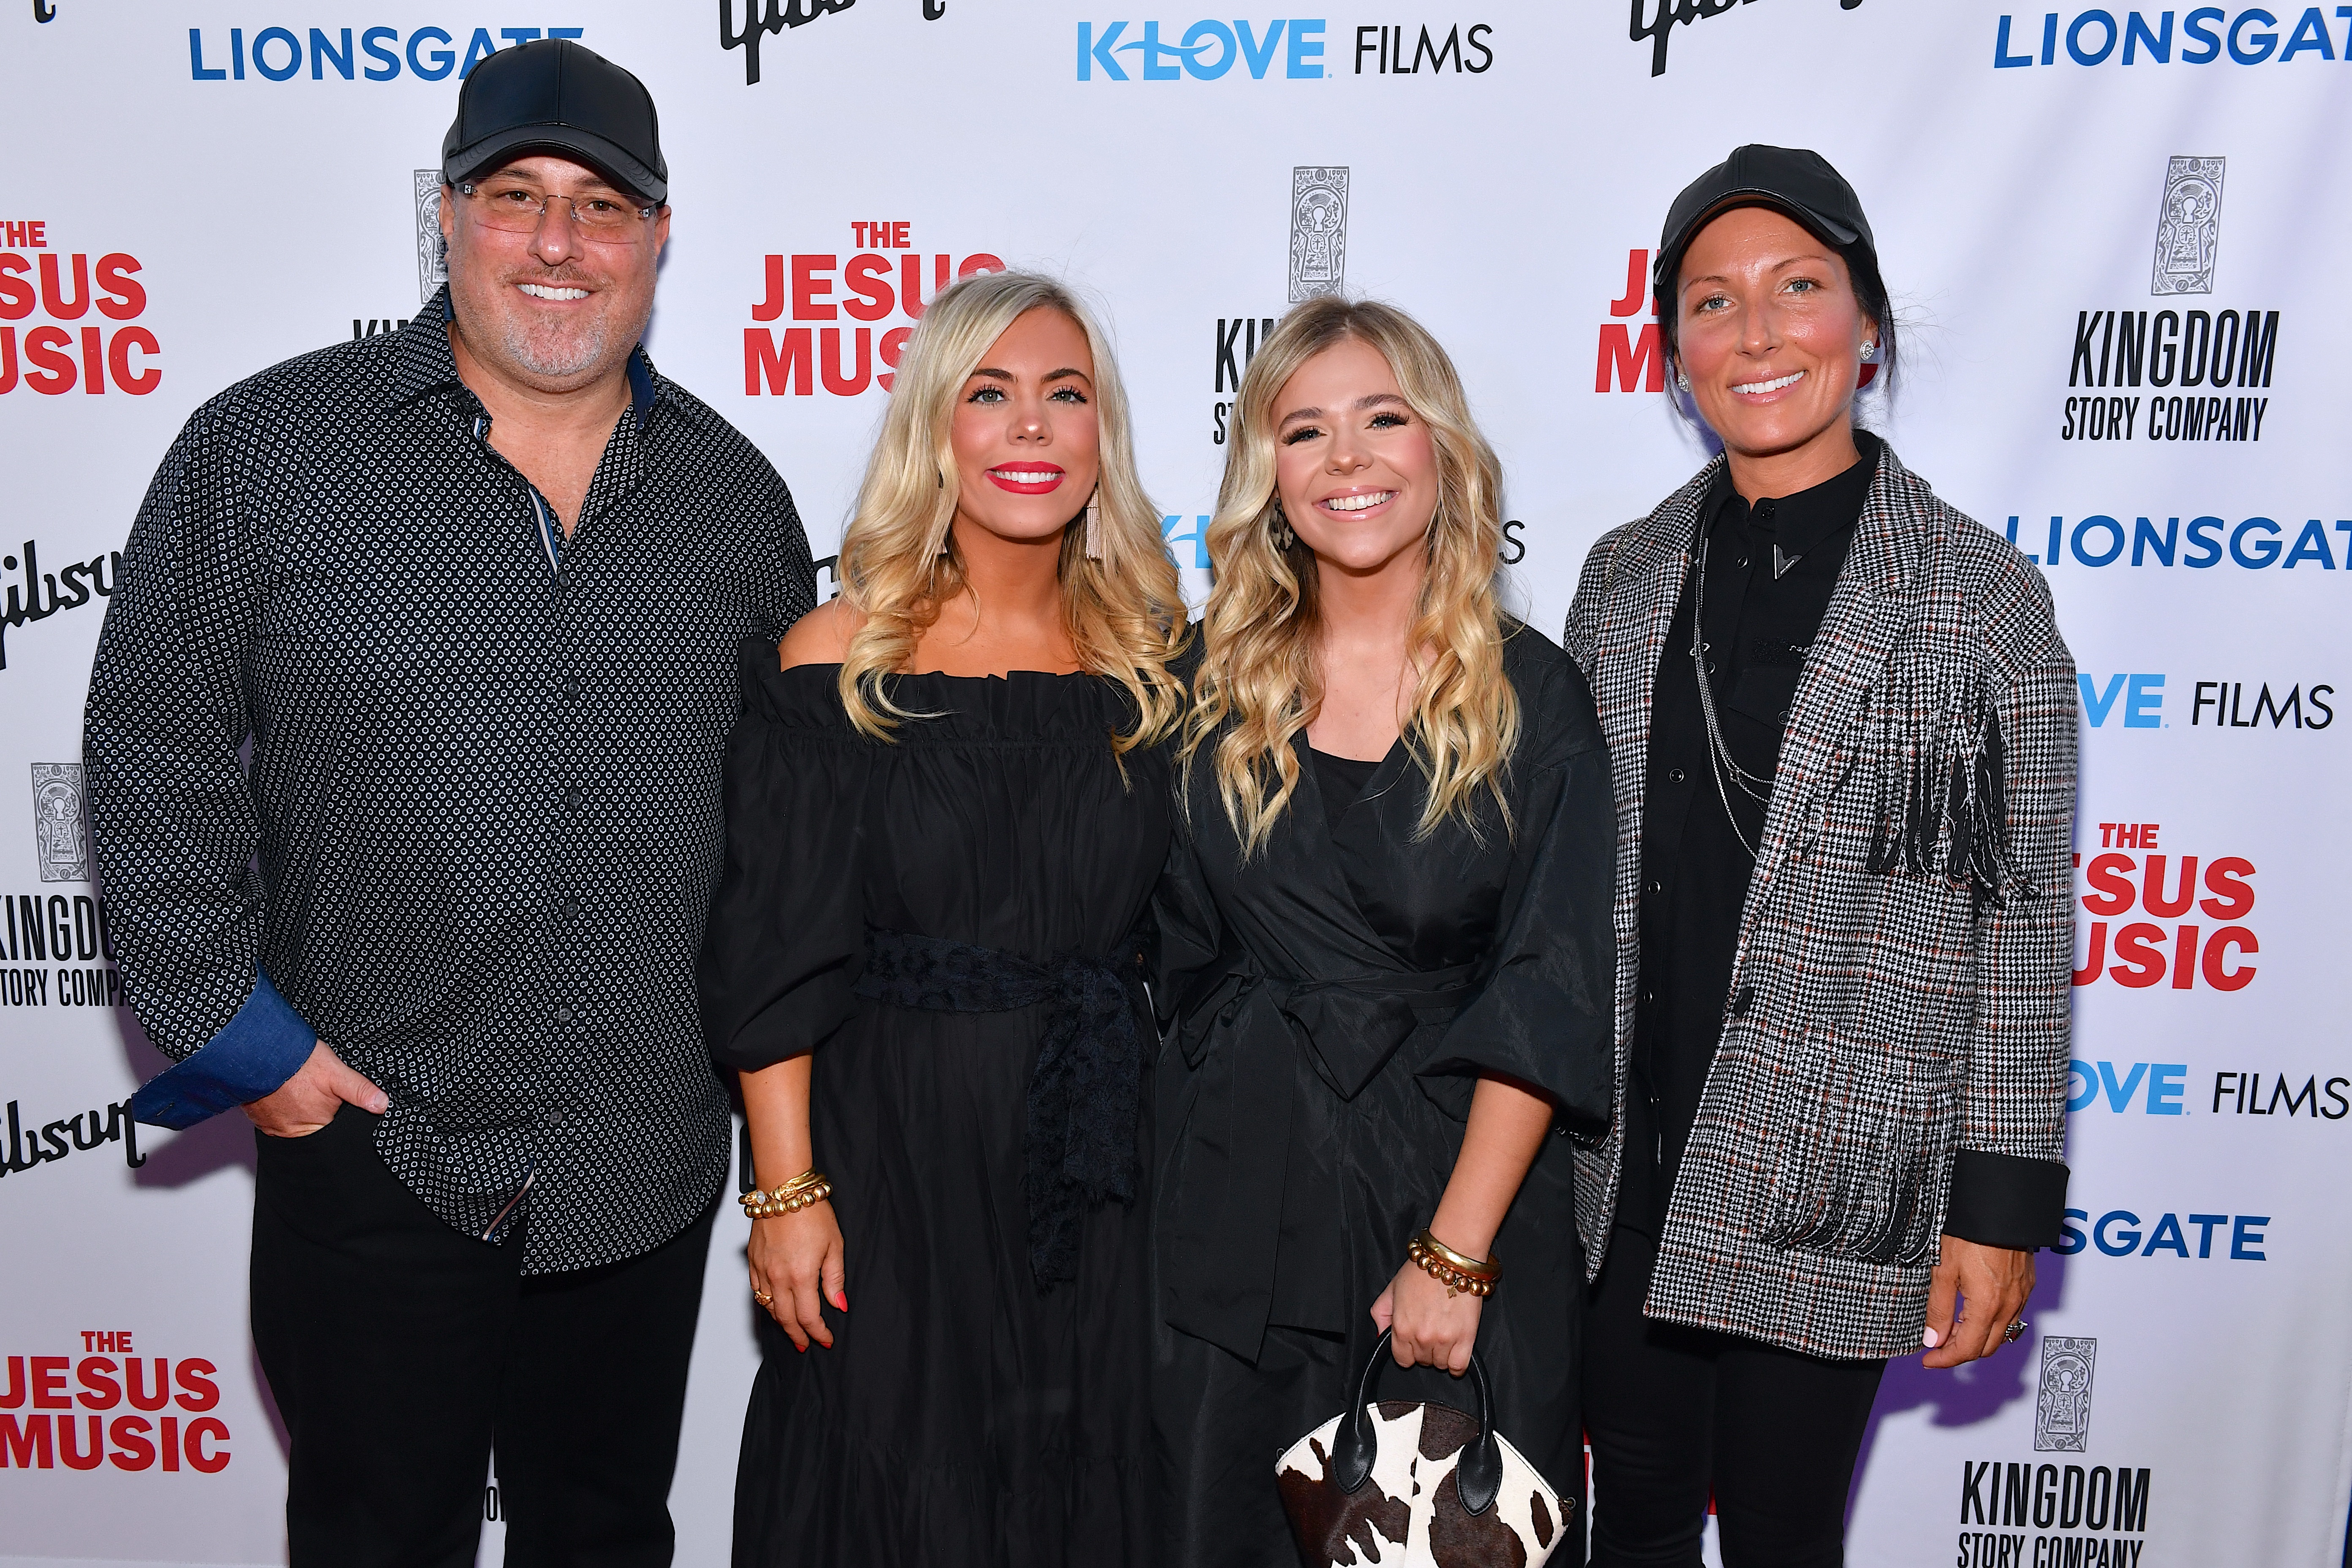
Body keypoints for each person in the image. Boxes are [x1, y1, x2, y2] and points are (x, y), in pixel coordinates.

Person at [81, 39, 814, 1568]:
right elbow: (153, 765)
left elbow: (787, 832)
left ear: (660, 238)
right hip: (373, 1149)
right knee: (372, 1538)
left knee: (607, 1534)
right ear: (449, 216)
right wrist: (252, 1050)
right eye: (515, 197)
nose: (558, 242)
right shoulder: (269, 452)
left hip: (646, 1158)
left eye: (604, 207)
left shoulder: (737, 501)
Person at [1563, 145, 2077, 1567]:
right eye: (1714, 304)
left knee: (1790, 1539)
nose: (1760, 333)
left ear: (1865, 323)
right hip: (1626, 1168)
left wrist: (2000, 1209)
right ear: (1675, 352)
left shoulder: (1980, 598)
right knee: (1637, 1527)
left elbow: (2026, 925)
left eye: (1799, 289)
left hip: (1838, 1169)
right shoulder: (1620, 574)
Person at [699, 270, 1189, 1567]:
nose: (1031, 427)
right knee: (894, 1476)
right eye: (992, 394)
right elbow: (776, 952)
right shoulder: (839, 659)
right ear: (937, 428)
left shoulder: (1157, 663)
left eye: (1065, 395)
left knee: (1088, 1478)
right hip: (895, 1153)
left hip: (1103, 1158)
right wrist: (786, 1192)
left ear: (1102, 436)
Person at [1153, 297, 1616, 1564]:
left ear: (1443, 453)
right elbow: (1176, 965)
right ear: (1267, 475)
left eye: (1382, 419)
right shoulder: (1204, 687)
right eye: (1304, 430)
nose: (1346, 458)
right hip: (1239, 1216)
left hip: (1457, 1201)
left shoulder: (1535, 695)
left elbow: (1552, 987)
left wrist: (1455, 1256)